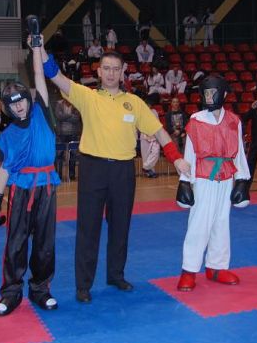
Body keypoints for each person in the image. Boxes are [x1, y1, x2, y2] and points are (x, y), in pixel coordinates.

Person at [43, 49, 190, 303]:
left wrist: (176, 157)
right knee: (88, 228)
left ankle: (116, 275)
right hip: (93, 168)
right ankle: (83, 285)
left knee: (121, 226)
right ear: (99, 71)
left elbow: (158, 131)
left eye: (116, 69)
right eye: (106, 68)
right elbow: (55, 76)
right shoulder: (87, 96)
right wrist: (40, 50)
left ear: (123, 72)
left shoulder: (134, 103)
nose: (111, 73)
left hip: (123, 171)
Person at [0, 19, 60, 317]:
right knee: (16, 242)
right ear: (6, 107)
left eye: (21, 102)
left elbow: (39, 76)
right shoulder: (7, 135)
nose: (19, 107)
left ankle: (41, 289)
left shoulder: (43, 113)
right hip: (20, 189)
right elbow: (5, 168)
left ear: (28, 100)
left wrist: (37, 46)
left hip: (47, 187)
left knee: (45, 243)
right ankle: (11, 293)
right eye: (12, 104)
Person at [176, 75, 251, 292]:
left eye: (213, 93)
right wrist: (185, 182)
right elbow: (189, 153)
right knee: (199, 224)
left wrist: (242, 180)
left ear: (223, 94)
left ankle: (216, 267)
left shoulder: (234, 121)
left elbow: (239, 153)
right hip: (203, 178)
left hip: (226, 179)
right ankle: (189, 270)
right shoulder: (196, 120)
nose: (209, 97)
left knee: (221, 223)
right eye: (206, 93)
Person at [54, 98, 82, 181]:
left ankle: (71, 175)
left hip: (73, 134)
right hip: (61, 134)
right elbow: (59, 116)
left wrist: (65, 116)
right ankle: (58, 176)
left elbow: (76, 118)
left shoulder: (76, 104)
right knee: (59, 155)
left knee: (73, 155)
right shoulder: (59, 104)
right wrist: (70, 114)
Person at [140, 102, 160, 178]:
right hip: (144, 135)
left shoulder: (154, 112)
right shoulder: (140, 112)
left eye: (148, 105)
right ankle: (150, 172)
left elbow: (157, 123)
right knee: (145, 155)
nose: (147, 106)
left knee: (156, 152)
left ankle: (145, 167)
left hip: (154, 135)